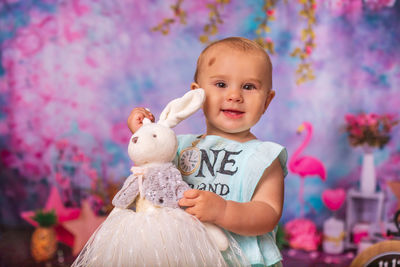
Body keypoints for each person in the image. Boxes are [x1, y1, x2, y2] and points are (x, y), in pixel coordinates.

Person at [128, 37, 287, 267]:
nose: (235, 96)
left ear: (267, 100)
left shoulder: (263, 157)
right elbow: (149, 176)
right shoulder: (178, 146)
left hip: (241, 261)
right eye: (221, 84)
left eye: (249, 86)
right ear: (196, 95)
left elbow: (268, 214)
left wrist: (223, 211)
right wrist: (145, 137)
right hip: (182, 257)